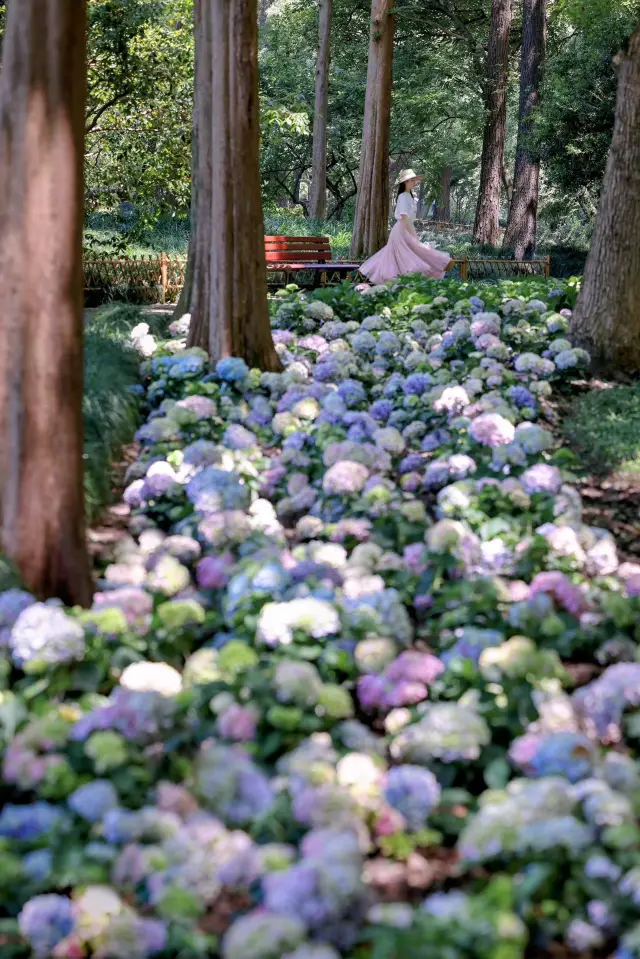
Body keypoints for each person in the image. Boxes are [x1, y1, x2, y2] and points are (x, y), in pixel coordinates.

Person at [359, 169, 453, 284]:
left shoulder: (410, 196)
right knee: (405, 255)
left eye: (414, 180)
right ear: (405, 182)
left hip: (405, 228)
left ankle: (434, 269)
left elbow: (409, 219)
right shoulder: (403, 196)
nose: (414, 182)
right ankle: (439, 264)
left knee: (408, 254)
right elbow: (404, 218)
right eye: (411, 180)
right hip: (401, 230)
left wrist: (412, 232)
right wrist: (413, 234)